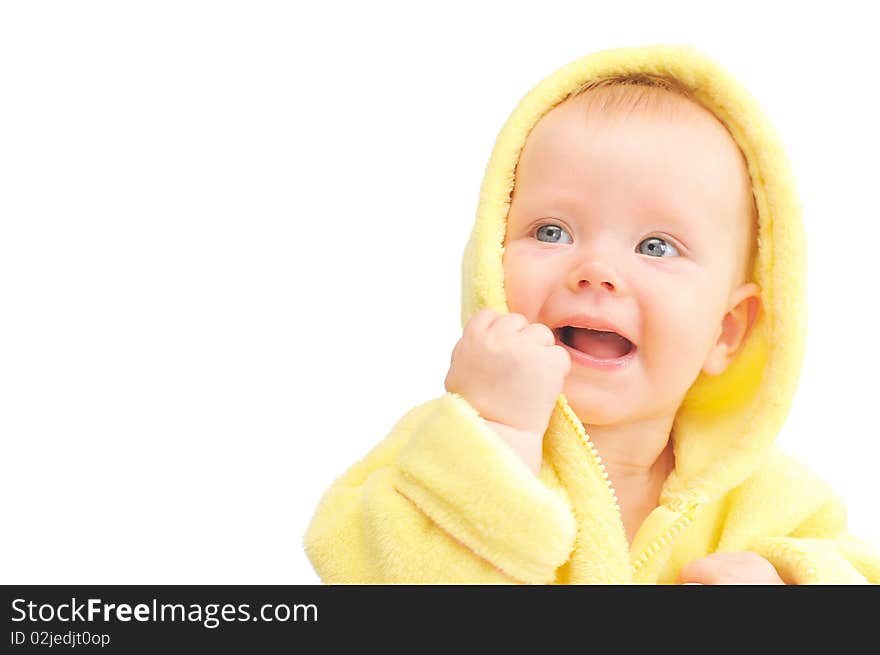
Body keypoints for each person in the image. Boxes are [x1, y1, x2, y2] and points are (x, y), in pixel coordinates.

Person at [303, 44, 880, 584]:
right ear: (488, 266)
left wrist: (785, 582)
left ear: (727, 331)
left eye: (656, 246)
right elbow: (371, 572)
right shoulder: (443, 448)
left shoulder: (768, 498)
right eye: (550, 231)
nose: (596, 268)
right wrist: (499, 437)